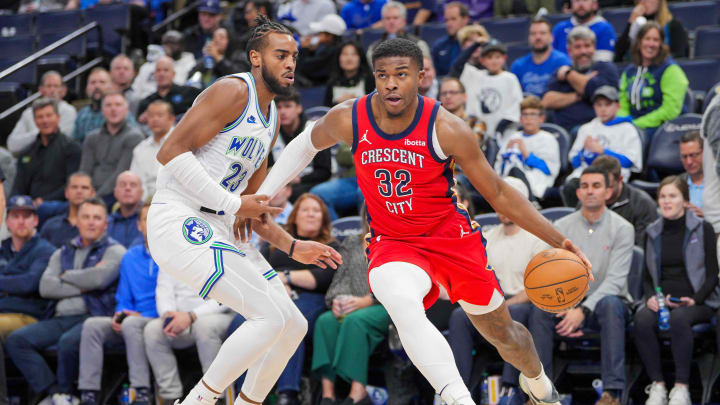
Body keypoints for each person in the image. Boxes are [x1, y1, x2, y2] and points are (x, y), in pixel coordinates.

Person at [258, 37, 592, 405]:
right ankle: (459, 399)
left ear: (421, 76)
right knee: (401, 303)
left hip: (451, 239)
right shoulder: (351, 116)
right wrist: (261, 195)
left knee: (504, 335)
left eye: (401, 74)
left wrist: (558, 240)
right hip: (393, 242)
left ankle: (540, 384)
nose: (390, 83)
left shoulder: (447, 127)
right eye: (382, 75)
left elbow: (497, 192)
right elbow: (305, 144)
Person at [147, 16, 342, 405]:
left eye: (295, 57)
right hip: (178, 215)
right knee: (267, 317)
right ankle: (198, 401)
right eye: (281, 55)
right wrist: (233, 203)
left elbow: (251, 210)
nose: (291, 63)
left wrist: (291, 245)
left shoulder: (270, 122)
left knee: (292, 324)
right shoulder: (233, 90)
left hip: (216, 222)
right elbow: (169, 153)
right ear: (256, 57)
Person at [529, 167, 633, 405]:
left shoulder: (623, 228)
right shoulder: (561, 227)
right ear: (577, 193)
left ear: (608, 192)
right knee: (539, 310)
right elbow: (551, 272)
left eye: (596, 186)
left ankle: (612, 393)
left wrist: (582, 311)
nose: (590, 191)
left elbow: (616, 280)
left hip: (607, 305)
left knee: (610, 305)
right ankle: (540, 395)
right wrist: (566, 307)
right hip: (568, 305)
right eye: (584, 186)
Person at [5, 198, 125, 405]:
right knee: (17, 340)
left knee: (67, 342)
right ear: (77, 222)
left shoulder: (115, 251)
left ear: (106, 224)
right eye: (86, 217)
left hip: (93, 315)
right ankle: (55, 393)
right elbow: (45, 287)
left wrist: (65, 275)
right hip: (59, 317)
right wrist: (85, 281)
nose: (91, 222)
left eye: (97, 218)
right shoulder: (62, 251)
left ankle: (67, 392)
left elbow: (99, 279)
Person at [448, 177, 545, 404]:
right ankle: (458, 390)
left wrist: (504, 305)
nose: (502, 209)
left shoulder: (537, 238)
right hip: (491, 300)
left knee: (516, 315)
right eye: (497, 203)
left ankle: (511, 389)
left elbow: (537, 288)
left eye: (507, 203)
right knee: (459, 316)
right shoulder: (486, 237)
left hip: (523, 303)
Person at [633, 176, 719, 405]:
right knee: (641, 319)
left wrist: (694, 299)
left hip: (698, 302)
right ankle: (658, 386)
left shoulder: (703, 228)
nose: (666, 201)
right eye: (662, 196)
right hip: (662, 299)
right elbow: (648, 275)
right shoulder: (652, 232)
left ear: (685, 200)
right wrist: (651, 297)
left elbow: (712, 275)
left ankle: (682, 388)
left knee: (680, 318)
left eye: (673, 196)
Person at [262, 194, 340, 405]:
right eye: (305, 210)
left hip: (314, 299)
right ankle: (245, 393)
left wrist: (284, 276)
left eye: (316, 211)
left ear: (323, 218)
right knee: (241, 324)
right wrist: (280, 284)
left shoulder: (331, 245)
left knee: (291, 323)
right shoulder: (275, 243)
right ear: (295, 216)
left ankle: (287, 395)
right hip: (274, 295)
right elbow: (259, 270)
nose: (311, 214)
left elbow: (322, 278)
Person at [77, 201, 158, 405]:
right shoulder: (130, 256)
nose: (151, 223)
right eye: (146, 219)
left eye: (156, 217)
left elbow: (175, 299)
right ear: (139, 225)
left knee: (131, 324)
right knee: (92, 325)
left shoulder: (175, 255)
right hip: (133, 317)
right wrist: (120, 313)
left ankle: (141, 391)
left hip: (158, 318)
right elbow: (123, 296)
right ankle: (89, 394)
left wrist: (141, 316)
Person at [312, 216, 389, 405]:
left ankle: (358, 391)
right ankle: (328, 395)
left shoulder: (396, 240)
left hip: (386, 306)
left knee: (354, 321)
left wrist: (370, 299)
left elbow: (400, 281)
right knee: (325, 321)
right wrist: (338, 300)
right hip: (354, 304)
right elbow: (340, 277)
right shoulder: (353, 241)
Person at [144, 265, 234, 404]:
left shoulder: (218, 248)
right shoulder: (169, 254)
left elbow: (228, 297)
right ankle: (171, 396)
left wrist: (192, 315)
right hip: (180, 318)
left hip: (218, 315)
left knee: (204, 326)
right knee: (153, 330)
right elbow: (164, 292)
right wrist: (168, 315)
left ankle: (215, 395)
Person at [618, 22, 688, 137]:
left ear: (661, 44)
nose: (651, 44)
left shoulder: (671, 70)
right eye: (647, 39)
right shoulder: (630, 71)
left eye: (656, 40)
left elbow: (670, 111)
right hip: (631, 126)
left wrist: (636, 124)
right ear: (639, 42)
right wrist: (623, 123)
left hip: (660, 128)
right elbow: (622, 105)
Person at [542, 26, 619, 131]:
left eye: (587, 46)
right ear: (569, 51)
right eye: (577, 47)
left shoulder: (605, 68)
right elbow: (547, 101)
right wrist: (579, 93)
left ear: (594, 47)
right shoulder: (559, 72)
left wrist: (569, 75)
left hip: (598, 129)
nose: (583, 51)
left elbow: (596, 92)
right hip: (562, 131)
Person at [0, 195, 56, 339]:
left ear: (35, 220)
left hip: (28, 315)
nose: (21, 221)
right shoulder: (3, 250)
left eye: (26, 216)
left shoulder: (45, 250)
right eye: (15, 216)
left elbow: (29, 283)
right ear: (7, 222)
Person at [12, 98, 82, 204]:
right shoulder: (26, 153)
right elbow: (18, 187)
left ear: (58, 118)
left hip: (60, 206)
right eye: (40, 117)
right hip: (28, 208)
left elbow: (72, 185)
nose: (45, 121)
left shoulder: (72, 148)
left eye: (49, 116)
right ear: (35, 120)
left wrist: (44, 201)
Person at [567, 86, 643, 182]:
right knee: (571, 185)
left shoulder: (627, 129)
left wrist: (602, 151)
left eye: (608, 104)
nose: (603, 109)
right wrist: (582, 150)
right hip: (584, 174)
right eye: (599, 105)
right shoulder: (586, 128)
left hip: (613, 175)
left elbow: (630, 162)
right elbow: (575, 163)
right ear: (594, 107)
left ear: (617, 106)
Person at [80, 92, 144, 202]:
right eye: (108, 105)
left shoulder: (134, 137)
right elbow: (85, 170)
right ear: (102, 110)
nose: (113, 109)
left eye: (118, 105)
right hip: (90, 193)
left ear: (127, 110)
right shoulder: (91, 137)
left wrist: (95, 197)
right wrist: (84, 190)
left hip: (115, 194)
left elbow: (121, 172)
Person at [494, 96, 560, 200]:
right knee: (512, 172)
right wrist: (506, 154)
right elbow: (498, 168)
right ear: (520, 119)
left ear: (541, 118)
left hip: (536, 182)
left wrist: (526, 155)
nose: (528, 118)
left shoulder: (548, 138)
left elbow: (549, 169)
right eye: (525, 115)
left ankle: (533, 203)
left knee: (515, 171)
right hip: (509, 183)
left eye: (533, 114)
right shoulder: (512, 137)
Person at [270, 90, 332, 200]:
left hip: (311, 183)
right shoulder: (271, 134)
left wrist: (299, 180)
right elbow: (269, 167)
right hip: (281, 185)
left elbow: (324, 172)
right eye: (278, 107)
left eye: (288, 106)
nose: (283, 112)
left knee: (292, 194)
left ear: (299, 108)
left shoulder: (315, 131)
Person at [591, 156, 658, 246]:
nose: (604, 192)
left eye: (609, 187)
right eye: (598, 186)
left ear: (620, 180)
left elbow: (641, 248)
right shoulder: (587, 202)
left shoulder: (643, 204)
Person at [461, 44, 523, 141]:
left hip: (504, 134)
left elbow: (516, 106)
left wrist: (500, 128)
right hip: (479, 131)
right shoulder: (476, 77)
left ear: (504, 58)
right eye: (489, 57)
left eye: (498, 57)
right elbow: (458, 65)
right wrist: (476, 44)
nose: (494, 61)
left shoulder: (510, 79)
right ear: (482, 60)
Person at [7, 71, 77, 155]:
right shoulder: (28, 113)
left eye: (56, 86)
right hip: (31, 158)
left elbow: (61, 141)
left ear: (63, 91)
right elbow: (12, 145)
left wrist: (36, 136)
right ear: (40, 90)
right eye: (48, 86)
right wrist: (40, 133)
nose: (52, 90)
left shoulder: (69, 110)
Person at [510, 18, 572, 98]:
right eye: (533, 34)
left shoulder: (563, 62)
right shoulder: (518, 65)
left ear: (552, 37)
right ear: (528, 38)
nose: (538, 37)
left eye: (542, 33)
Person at [614, 0, 688, 62]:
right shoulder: (635, 25)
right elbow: (618, 55)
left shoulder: (673, 25)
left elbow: (679, 57)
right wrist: (631, 23)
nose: (646, 1)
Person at [132, 30, 197, 99]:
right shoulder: (148, 66)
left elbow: (192, 91)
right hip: (148, 102)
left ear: (182, 46)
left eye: (173, 43)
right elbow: (135, 90)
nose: (169, 47)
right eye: (166, 43)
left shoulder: (191, 65)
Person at [131, 100, 174, 199]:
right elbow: (137, 181)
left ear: (171, 119)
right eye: (151, 116)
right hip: (146, 203)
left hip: (174, 200)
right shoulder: (140, 148)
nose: (155, 119)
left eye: (160, 115)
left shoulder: (182, 144)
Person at [39, 173, 96, 248]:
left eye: (84, 188)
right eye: (74, 187)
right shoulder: (50, 226)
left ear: (93, 193)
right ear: (66, 193)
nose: (79, 191)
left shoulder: (101, 226)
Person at [137, 56, 202, 122]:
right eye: (158, 70)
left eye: (166, 70)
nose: (161, 74)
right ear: (154, 75)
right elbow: (139, 123)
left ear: (173, 74)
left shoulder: (189, 93)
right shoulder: (147, 102)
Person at [552, 0, 616, 62]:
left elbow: (604, 63)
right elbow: (550, 59)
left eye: (585, 0)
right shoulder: (560, 28)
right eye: (577, 0)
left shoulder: (604, 28)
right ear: (571, 4)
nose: (581, 4)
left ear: (595, 5)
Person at [366, 1, 431, 62]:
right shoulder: (374, 49)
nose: (391, 22)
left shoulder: (419, 44)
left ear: (404, 21)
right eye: (387, 18)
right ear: (383, 22)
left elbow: (425, 69)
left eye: (395, 18)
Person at [295, 14, 347, 87]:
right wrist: (312, 51)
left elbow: (303, 67)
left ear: (329, 36)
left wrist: (305, 49)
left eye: (320, 33)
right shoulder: (332, 47)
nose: (318, 36)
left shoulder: (332, 51)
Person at [324, 41, 376, 107]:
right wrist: (338, 103)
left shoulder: (370, 80)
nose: (349, 58)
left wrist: (357, 101)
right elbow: (326, 110)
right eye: (345, 54)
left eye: (354, 54)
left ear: (360, 58)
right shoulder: (332, 83)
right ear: (338, 58)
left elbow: (376, 108)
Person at [71, 68, 115, 143]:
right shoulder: (81, 115)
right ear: (86, 89)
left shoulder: (119, 111)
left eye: (102, 82)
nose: (97, 86)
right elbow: (75, 143)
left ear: (111, 87)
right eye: (93, 82)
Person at [438, 77, 486, 143]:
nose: (448, 96)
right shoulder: (435, 123)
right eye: (444, 93)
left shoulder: (476, 122)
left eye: (453, 92)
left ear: (464, 96)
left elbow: (471, 147)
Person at [431, 2, 470, 77]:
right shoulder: (439, 46)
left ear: (465, 19)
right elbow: (437, 75)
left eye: (453, 19)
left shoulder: (475, 43)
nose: (449, 24)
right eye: (446, 20)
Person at [107, 171, 144, 248]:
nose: (127, 188)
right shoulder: (106, 223)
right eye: (122, 185)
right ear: (115, 192)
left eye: (133, 185)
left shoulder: (149, 220)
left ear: (141, 193)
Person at [678, 131, 704, 218]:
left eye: (694, 155)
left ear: (705, 153)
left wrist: (709, 217)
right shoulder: (676, 184)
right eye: (684, 157)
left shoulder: (717, 181)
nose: (689, 162)